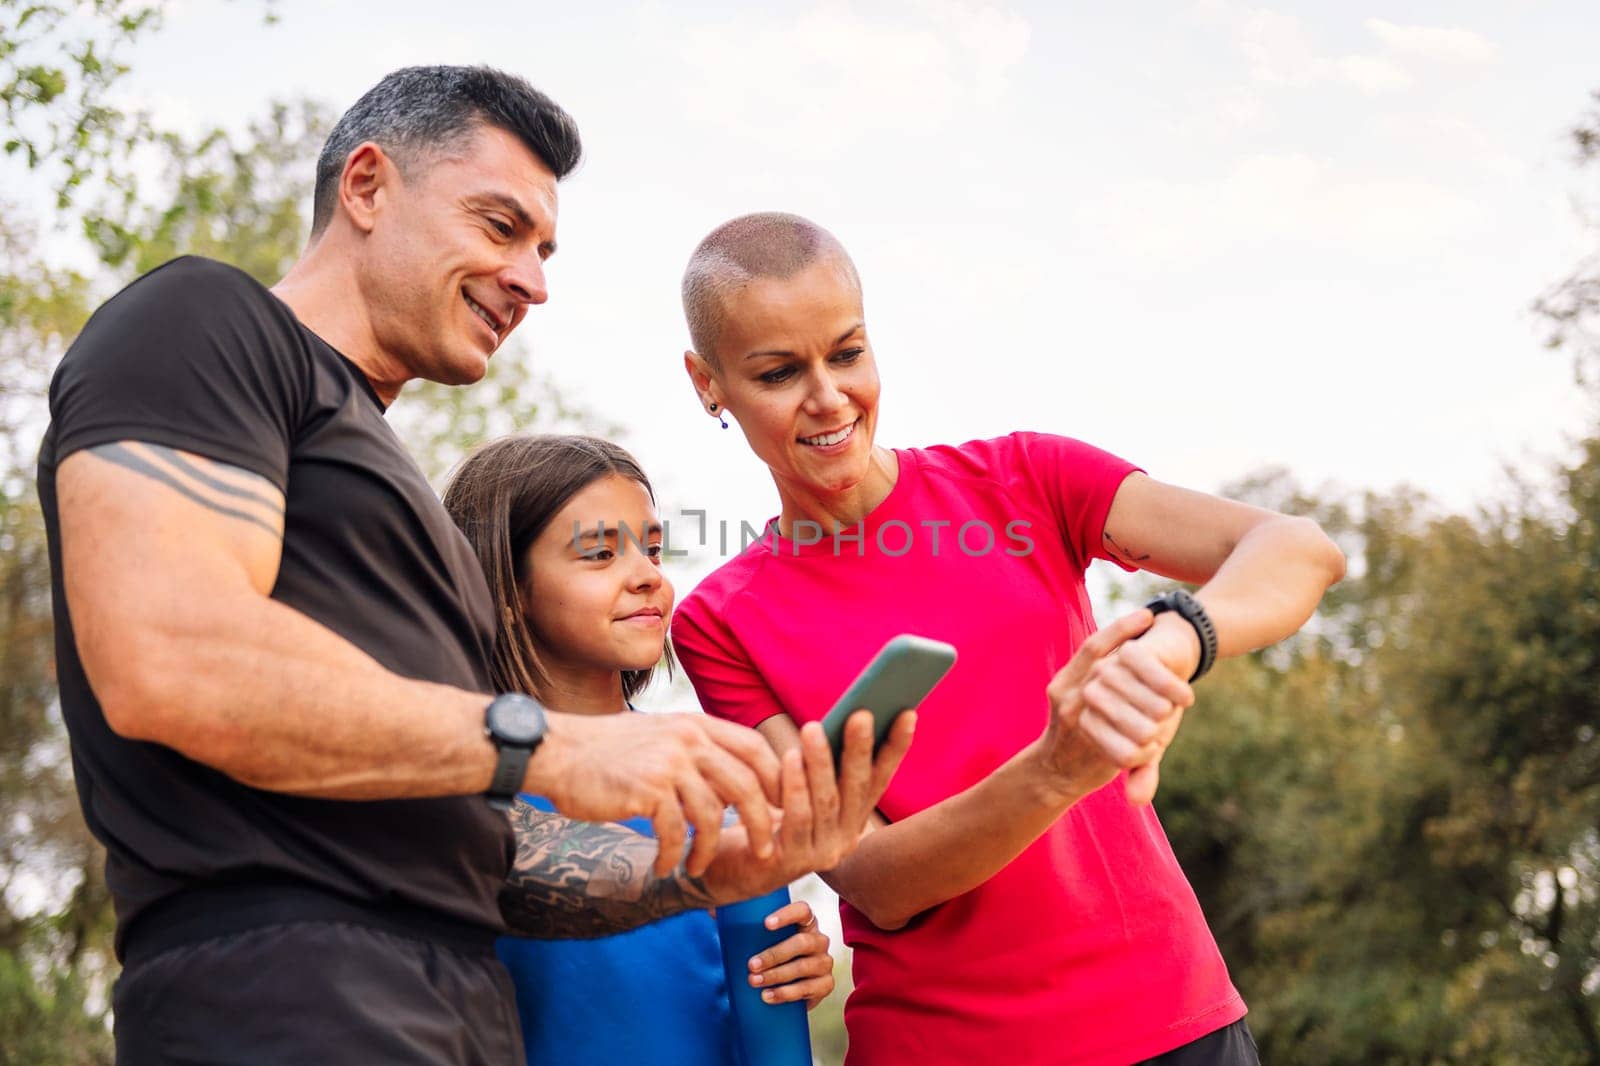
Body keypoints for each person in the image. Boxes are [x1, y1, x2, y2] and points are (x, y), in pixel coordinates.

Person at [38, 73, 908, 1064]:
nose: (533, 280)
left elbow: (499, 870)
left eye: (543, 251)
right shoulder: (206, 321)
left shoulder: (392, 499)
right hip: (286, 1003)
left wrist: (723, 867)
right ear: (366, 188)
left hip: (455, 1019)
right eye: (501, 227)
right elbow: (171, 656)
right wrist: (554, 747)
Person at [670, 212, 1348, 1066]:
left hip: (1171, 1018)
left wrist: (1171, 644)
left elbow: (1298, 551)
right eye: (778, 372)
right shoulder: (720, 623)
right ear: (709, 382)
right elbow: (876, 881)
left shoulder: (1024, 481)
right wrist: (1058, 766)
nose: (829, 397)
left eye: (847, 353)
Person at [443, 433, 839, 1065]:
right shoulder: (462, 773)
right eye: (600, 553)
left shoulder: (711, 772)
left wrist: (793, 970)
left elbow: (730, 982)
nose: (646, 577)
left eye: (652, 549)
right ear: (508, 591)